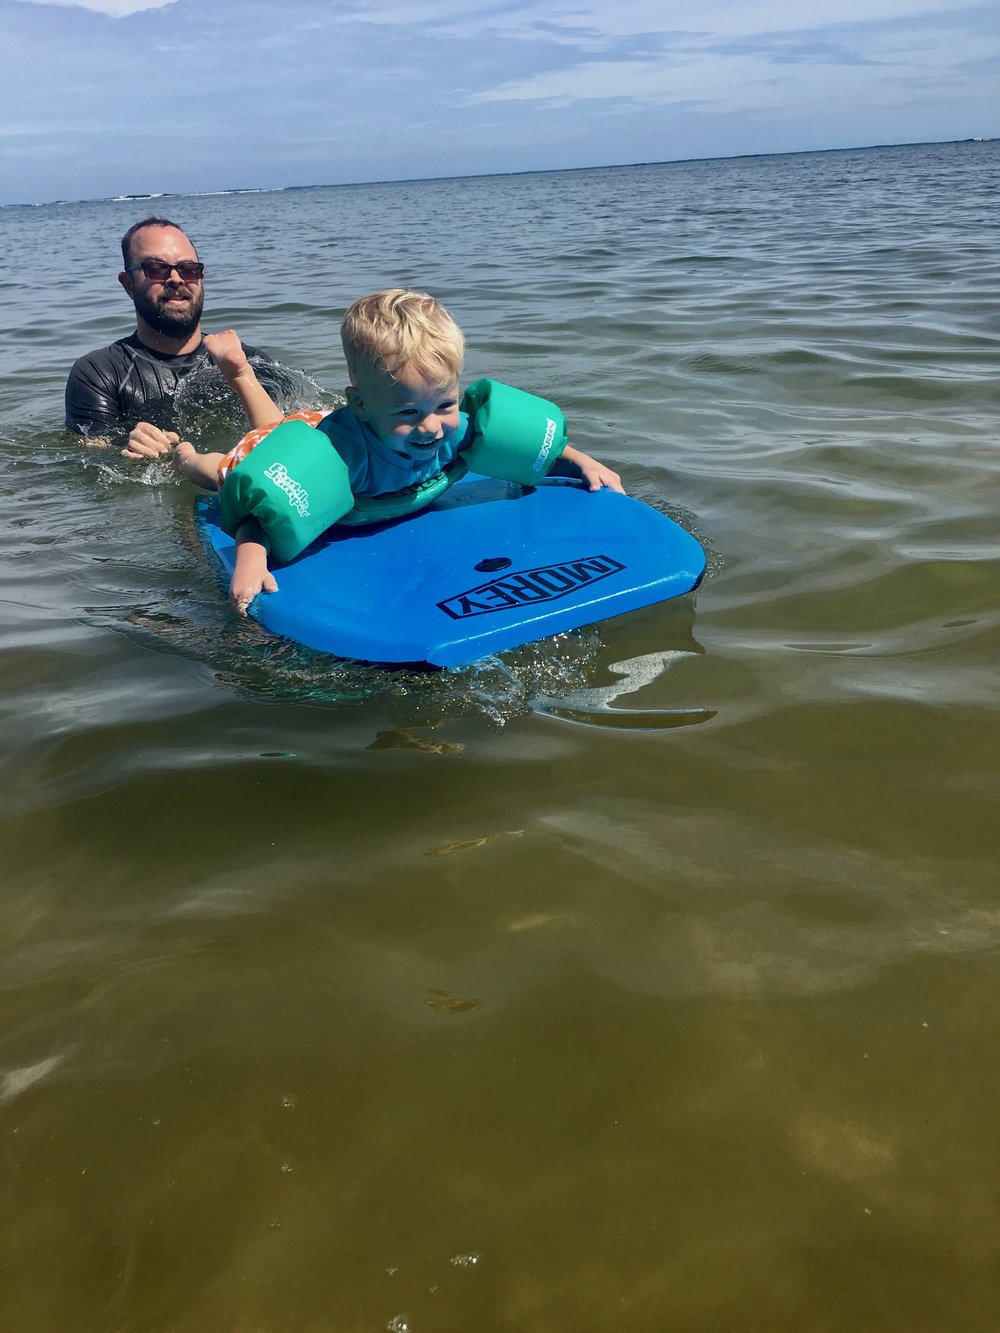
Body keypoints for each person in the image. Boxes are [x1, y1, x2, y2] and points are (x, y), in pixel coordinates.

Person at [176, 289, 623, 614]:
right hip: (312, 448)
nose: (430, 427)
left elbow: (526, 447)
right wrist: (251, 557)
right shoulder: (343, 460)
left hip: (333, 432)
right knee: (230, 468)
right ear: (362, 404)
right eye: (409, 412)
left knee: (279, 428)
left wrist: (580, 461)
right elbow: (262, 510)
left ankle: (239, 372)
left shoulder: (455, 426)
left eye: (444, 403)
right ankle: (186, 450)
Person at [65, 217, 273, 460]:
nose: (176, 278)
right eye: (156, 269)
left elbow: (297, 432)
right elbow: (85, 456)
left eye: (188, 269)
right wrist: (123, 445)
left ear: (201, 279)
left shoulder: (247, 362)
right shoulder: (99, 373)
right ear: (128, 284)